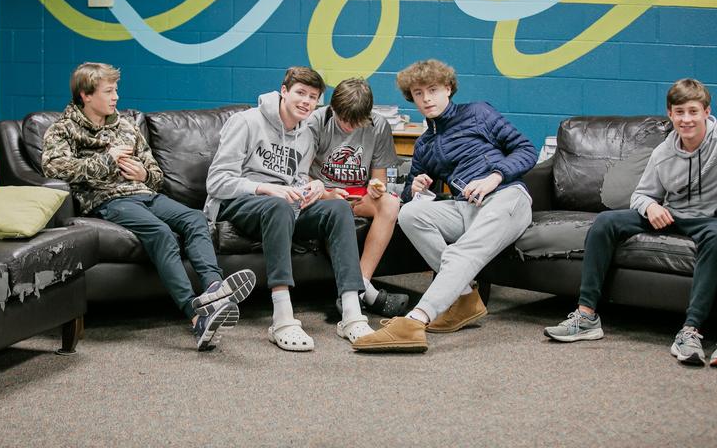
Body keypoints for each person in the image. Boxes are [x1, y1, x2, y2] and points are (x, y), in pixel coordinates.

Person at [42, 62, 255, 352]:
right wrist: (108, 160)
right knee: (160, 233)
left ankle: (215, 291)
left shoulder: (125, 126)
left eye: (116, 90)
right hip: (108, 199)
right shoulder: (63, 129)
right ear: (86, 95)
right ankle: (196, 316)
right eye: (108, 91)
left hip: (144, 194)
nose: (116, 96)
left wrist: (144, 174)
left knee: (195, 219)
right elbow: (55, 168)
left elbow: (155, 174)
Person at [353, 59, 537, 353]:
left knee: (461, 252)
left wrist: (494, 177)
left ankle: (416, 320)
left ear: (448, 89)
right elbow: (409, 197)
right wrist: (415, 188)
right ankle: (464, 297)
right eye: (418, 93)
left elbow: (526, 149)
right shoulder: (425, 144)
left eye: (433, 90)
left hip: (506, 197)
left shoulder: (478, 113)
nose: (426, 99)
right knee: (410, 213)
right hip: (465, 207)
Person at [544, 78, 717, 367]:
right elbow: (641, 195)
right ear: (670, 114)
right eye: (679, 112)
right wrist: (651, 206)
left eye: (693, 111)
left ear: (706, 112)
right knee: (605, 222)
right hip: (670, 214)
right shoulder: (663, 153)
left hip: (706, 220)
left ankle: (690, 331)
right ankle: (586, 317)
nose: (686, 119)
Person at [204, 66, 374, 352]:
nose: (306, 101)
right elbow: (217, 181)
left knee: (338, 208)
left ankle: (351, 313)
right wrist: (266, 188)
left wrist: (314, 187)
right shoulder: (246, 122)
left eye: (313, 97)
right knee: (279, 205)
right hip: (238, 203)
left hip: (283, 207)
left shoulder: (305, 135)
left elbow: (296, 181)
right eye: (300, 93)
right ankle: (282, 318)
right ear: (284, 91)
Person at [307, 77, 410, 317]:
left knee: (390, 203)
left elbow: (379, 180)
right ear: (333, 109)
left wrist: (376, 188)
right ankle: (367, 294)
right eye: (344, 120)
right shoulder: (316, 121)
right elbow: (301, 175)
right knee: (337, 209)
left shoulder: (379, 125)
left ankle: (360, 285)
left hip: (358, 197)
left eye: (356, 122)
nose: (349, 127)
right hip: (323, 196)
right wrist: (327, 195)